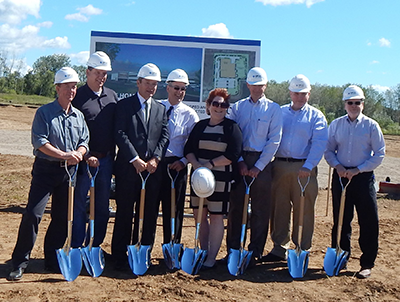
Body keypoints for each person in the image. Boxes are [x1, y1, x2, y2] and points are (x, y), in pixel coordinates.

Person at [7, 67, 89, 281]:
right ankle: (19, 262)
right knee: (33, 214)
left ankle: (51, 260)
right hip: (45, 170)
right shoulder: (44, 113)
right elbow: (40, 142)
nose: (71, 90)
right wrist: (64, 155)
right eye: (67, 86)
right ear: (57, 87)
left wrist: (79, 154)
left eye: (74, 87)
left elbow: (84, 142)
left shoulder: (78, 116)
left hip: (68, 173)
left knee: (62, 217)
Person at [263, 74, 328, 262]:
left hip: (304, 169)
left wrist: (308, 166)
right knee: (279, 208)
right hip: (280, 166)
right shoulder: (279, 112)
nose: (300, 97)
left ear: (309, 93)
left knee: (304, 210)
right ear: (290, 92)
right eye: (296, 93)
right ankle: (279, 248)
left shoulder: (316, 116)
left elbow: (319, 143)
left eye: (304, 93)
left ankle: (301, 248)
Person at [111, 63, 169, 270]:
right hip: (129, 169)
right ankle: (119, 254)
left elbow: (164, 135)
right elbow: (119, 133)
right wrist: (134, 158)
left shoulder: (161, 109)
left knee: (149, 212)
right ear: (138, 82)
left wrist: (156, 158)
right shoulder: (124, 106)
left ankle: (143, 251)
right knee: (125, 212)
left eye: (154, 84)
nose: (151, 88)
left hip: (152, 171)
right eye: (147, 83)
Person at [324, 85, 385, 279]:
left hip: (362, 178)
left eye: (357, 103)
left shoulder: (371, 126)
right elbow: (328, 150)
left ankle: (367, 263)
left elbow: (380, 154)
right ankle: (341, 258)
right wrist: (338, 167)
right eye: (350, 103)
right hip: (341, 177)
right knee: (341, 220)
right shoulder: (336, 125)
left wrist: (358, 170)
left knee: (368, 220)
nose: (353, 106)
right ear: (345, 104)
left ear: (362, 104)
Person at [226, 67, 282, 263]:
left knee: (260, 209)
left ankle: (255, 251)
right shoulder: (238, 107)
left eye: (260, 85)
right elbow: (232, 136)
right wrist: (239, 161)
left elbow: (274, 140)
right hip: (239, 159)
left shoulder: (274, 109)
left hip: (263, 163)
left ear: (265, 86)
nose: (257, 89)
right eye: (253, 85)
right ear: (247, 85)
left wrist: (258, 166)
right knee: (236, 207)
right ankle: (233, 249)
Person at [184, 88, 242, 269]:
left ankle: (212, 258)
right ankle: (203, 251)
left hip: (220, 179)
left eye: (223, 105)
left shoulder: (232, 128)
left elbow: (233, 153)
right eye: (215, 104)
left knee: (216, 216)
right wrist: (196, 166)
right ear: (208, 106)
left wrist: (210, 164)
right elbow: (188, 150)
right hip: (199, 179)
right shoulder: (199, 126)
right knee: (199, 215)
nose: (219, 108)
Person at [71, 51, 118, 249]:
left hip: (105, 162)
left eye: (105, 73)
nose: (101, 77)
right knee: (80, 205)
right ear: (88, 72)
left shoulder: (112, 97)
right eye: (97, 72)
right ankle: (76, 246)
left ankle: (94, 246)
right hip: (83, 162)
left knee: (102, 207)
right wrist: (85, 154)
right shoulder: (78, 97)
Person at [159, 69, 199, 245]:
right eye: (176, 87)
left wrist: (183, 162)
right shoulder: (156, 108)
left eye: (183, 88)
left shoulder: (190, 115)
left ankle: (172, 246)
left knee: (174, 210)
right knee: (150, 208)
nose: (180, 92)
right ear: (167, 87)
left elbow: (194, 144)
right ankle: (146, 246)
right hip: (156, 164)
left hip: (178, 166)